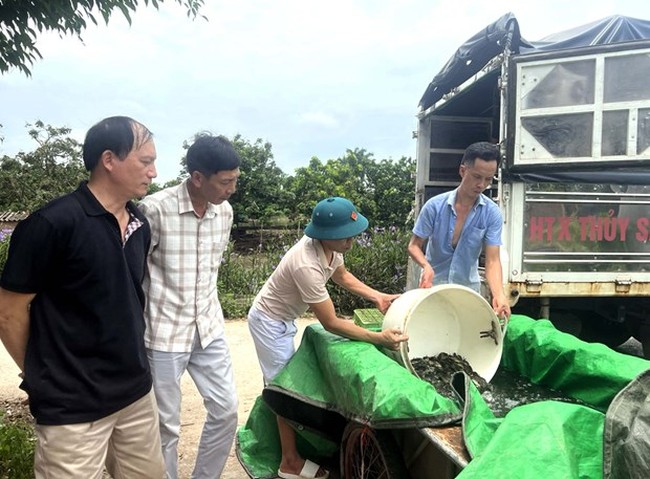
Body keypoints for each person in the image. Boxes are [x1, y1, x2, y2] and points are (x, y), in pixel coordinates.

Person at [0, 116, 164, 478]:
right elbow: (8, 312)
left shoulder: (139, 224)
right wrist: (41, 376)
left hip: (135, 394)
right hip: (72, 407)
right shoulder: (52, 224)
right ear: (109, 160)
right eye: (145, 161)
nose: (153, 172)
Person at [247, 196, 409, 479]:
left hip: (284, 318)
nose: (352, 240)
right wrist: (379, 337)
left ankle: (297, 453)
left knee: (287, 384)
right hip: (269, 323)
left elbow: (342, 277)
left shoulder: (332, 250)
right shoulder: (305, 265)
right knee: (283, 391)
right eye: (345, 236)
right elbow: (332, 323)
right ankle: (290, 462)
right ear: (325, 235)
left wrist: (378, 297)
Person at [138, 134, 241, 479]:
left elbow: (211, 268)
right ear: (198, 178)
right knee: (165, 426)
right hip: (164, 332)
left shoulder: (224, 213)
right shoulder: (154, 210)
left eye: (235, 180)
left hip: (208, 328)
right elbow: (134, 271)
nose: (231, 189)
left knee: (226, 411)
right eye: (225, 182)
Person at [407, 141, 511, 319]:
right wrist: (426, 266)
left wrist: (499, 294)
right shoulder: (434, 206)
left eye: (488, 179)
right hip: (432, 289)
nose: (482, 185)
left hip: (468, 292)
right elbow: (414, 246)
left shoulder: (492, 213)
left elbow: (492, 261)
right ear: (463, 171)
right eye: (477, 177)